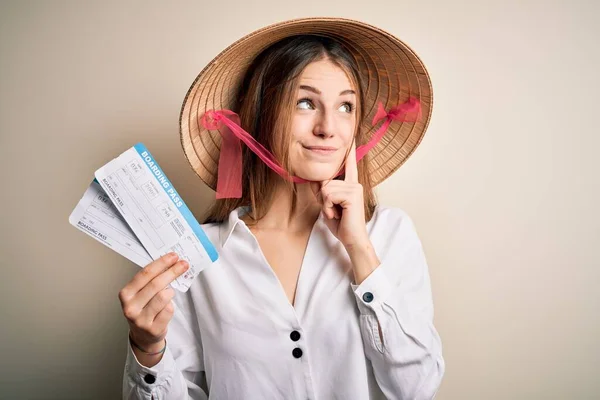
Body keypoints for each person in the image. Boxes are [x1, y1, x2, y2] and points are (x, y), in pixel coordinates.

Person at [120, 18, 445, 400]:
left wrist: (359, 249)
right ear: (262, 116)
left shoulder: (389, 235)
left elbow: (417, 388)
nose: (328, 128)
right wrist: (148, 349)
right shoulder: (197, 256)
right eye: (306, 103)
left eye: (345, 106)